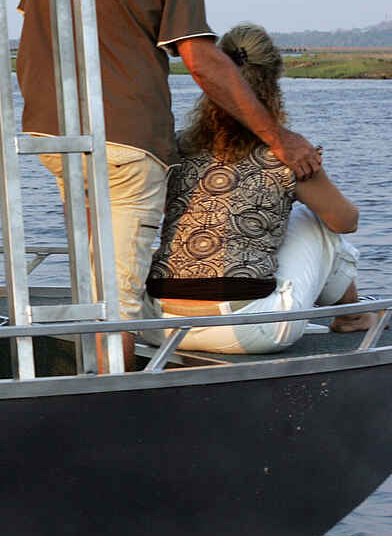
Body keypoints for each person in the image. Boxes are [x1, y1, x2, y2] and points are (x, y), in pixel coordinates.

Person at [17, 0, 321, 359]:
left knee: (97, 279)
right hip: (126, 143)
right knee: (119, 300)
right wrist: (278, 136)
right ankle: (117, 410)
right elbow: (202, 62)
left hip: (52, 132)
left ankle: (93, 387)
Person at [147, 24, 373, 353]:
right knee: (317, 221)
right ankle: (352, 316)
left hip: (161, 323)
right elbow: (345, 221)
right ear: (274, 81)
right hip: (245, 330)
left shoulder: (181, 145)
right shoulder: (288, 154)